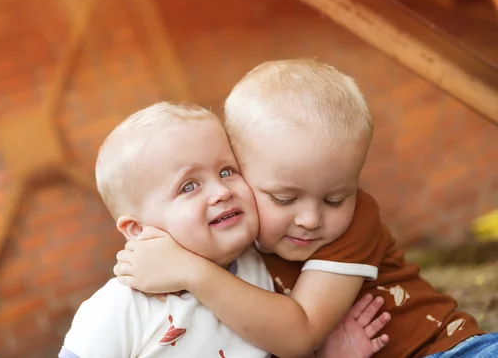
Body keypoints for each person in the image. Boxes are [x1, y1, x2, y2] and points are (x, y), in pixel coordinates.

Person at [114, 59, 498, 358]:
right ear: (239, 174)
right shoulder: (229, 246)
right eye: (283, 199)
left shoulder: (356, 221)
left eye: (335, 199)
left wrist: (189, 271)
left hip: (442, 349)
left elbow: (299, 333)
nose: (312, 219)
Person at [60, 101, 390, 357]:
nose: (221, 191)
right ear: (136, 229)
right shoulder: (124, 306)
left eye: (227, 171)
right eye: (188, 187)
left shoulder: (257, 272)